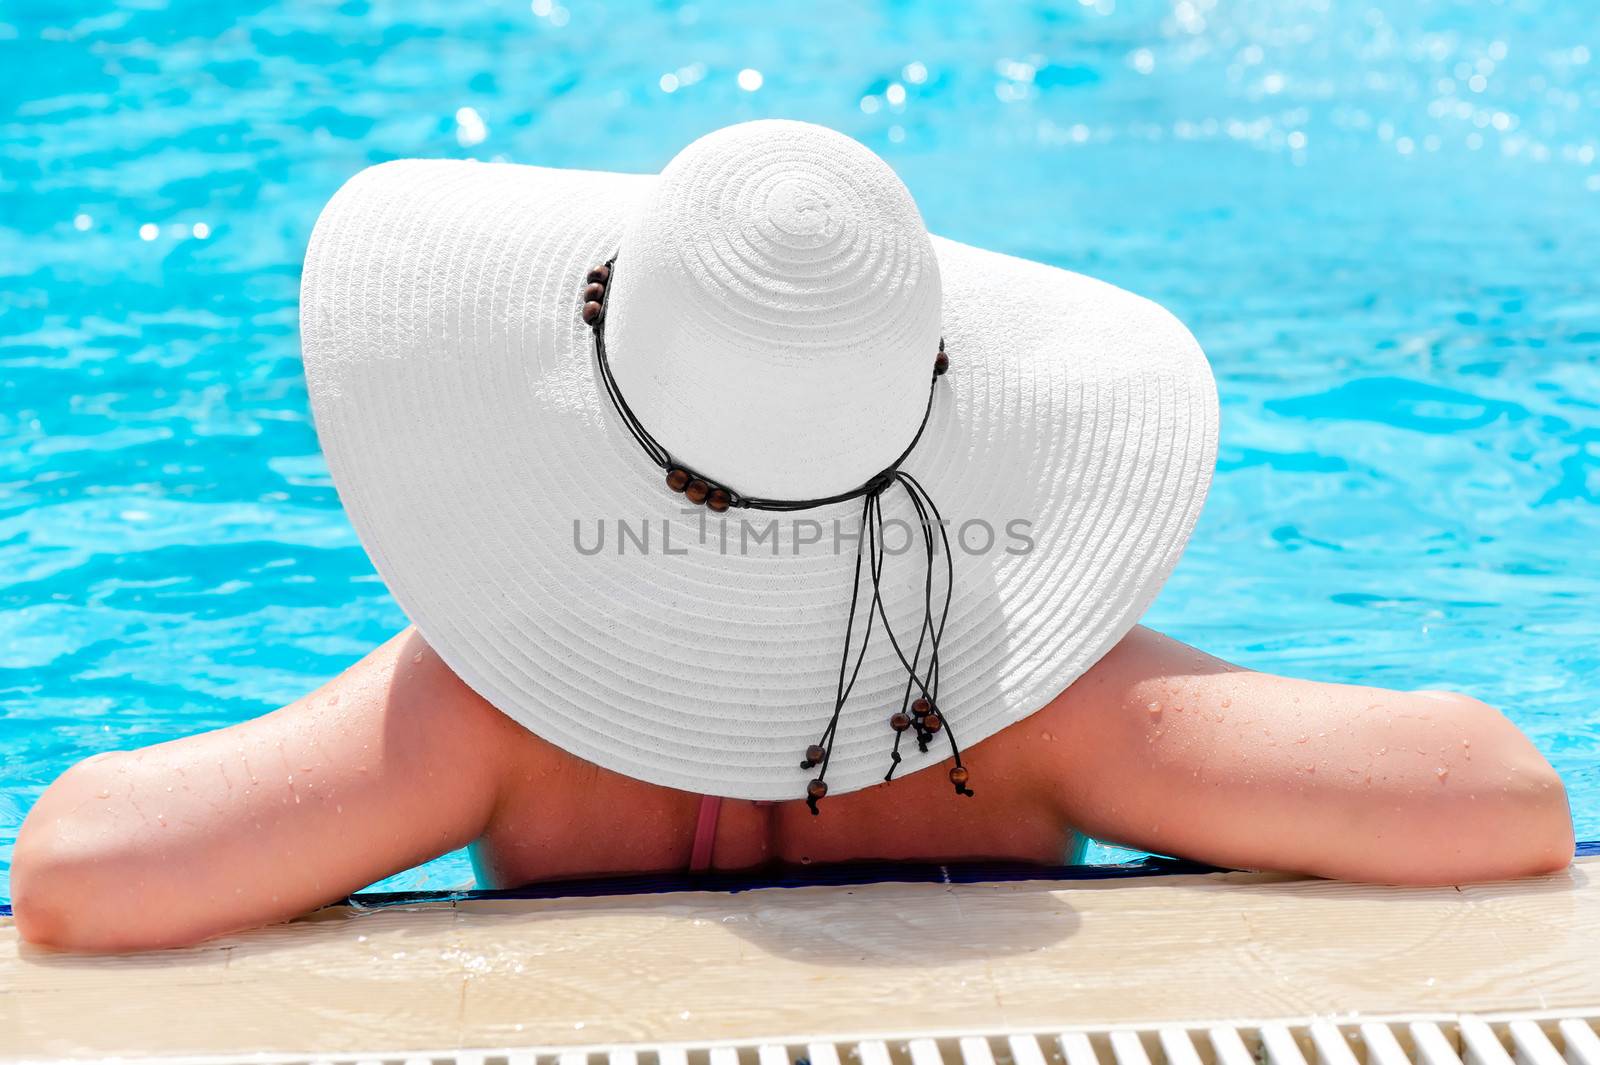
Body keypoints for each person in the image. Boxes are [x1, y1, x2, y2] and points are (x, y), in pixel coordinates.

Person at [11, 122, 1573, 952]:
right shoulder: (1021, 702)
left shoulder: (495, 712)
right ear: (933, 395)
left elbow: (83, 871)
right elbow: (1497, 799)